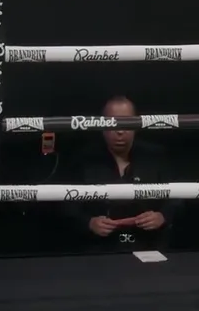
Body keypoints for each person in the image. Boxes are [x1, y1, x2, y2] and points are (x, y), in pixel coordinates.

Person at [65, 95, 179, 251]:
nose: (120, 131)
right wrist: (89, 223)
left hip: (148, 245)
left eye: (126, 123)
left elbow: (177, 198)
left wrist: (162, 216)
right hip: (98, 249)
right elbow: (67, 206)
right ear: (102, 126)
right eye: (113, 123)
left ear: (137, 125)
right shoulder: (83, 160)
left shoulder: (156, 156)